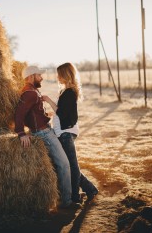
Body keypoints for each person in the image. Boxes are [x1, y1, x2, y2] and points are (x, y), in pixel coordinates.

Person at [14, 65, 80, 209]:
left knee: (61, 164)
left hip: (45, 130)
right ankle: (67, 202)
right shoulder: (29, 93)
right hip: (43, 133)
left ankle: (68, 196)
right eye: (39, 75)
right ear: (31, 77)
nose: (41, 77)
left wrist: (44, 116)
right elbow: (19, 114)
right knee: (64, 164)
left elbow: (32, 114)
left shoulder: (33, 91)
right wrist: (21, 133)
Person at [42, 62, 98, 204]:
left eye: (59, 74)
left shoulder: (69, 92)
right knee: (70, 164)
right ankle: (90, 189)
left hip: (66, 133)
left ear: (65, 75)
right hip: (64, 132)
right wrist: (50, 114)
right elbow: (62, 113)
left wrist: (48, 100)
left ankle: (75, 196)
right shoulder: (66, 91)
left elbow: (61, 112)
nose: (57, 77)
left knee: (72, 166)